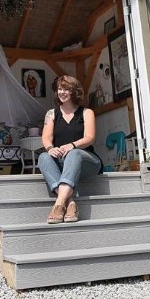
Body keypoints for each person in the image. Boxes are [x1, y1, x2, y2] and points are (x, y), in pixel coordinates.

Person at [38, 75, 102, 224]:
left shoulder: (87, 113)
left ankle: (59, 204)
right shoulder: (51, 114)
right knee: (43, 157)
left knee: (73, 154)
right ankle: (70, 201)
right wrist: (50, 148)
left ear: (74, 91)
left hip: (86, 162)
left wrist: (72, 145)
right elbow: (46, 138)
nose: (61, 92)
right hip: (62, 162)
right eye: (60, 89)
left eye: (66, 89)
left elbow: (90, 138)